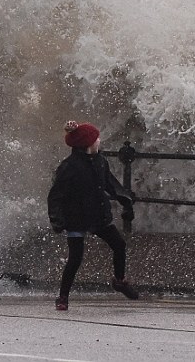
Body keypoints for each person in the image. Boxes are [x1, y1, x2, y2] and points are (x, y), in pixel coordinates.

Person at [47, 120, 139, 311]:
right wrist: (57, 220)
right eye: (97, 139)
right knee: (75, 259)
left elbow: (111, 184)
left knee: (119, 245)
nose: (99, 141)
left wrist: (125, 200)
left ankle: (120, 281)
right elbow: (55, 195)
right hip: (76, 218)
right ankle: (63, 297)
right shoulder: (68, 167)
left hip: (98, 215)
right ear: (87, 144)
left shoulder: (100, 161)